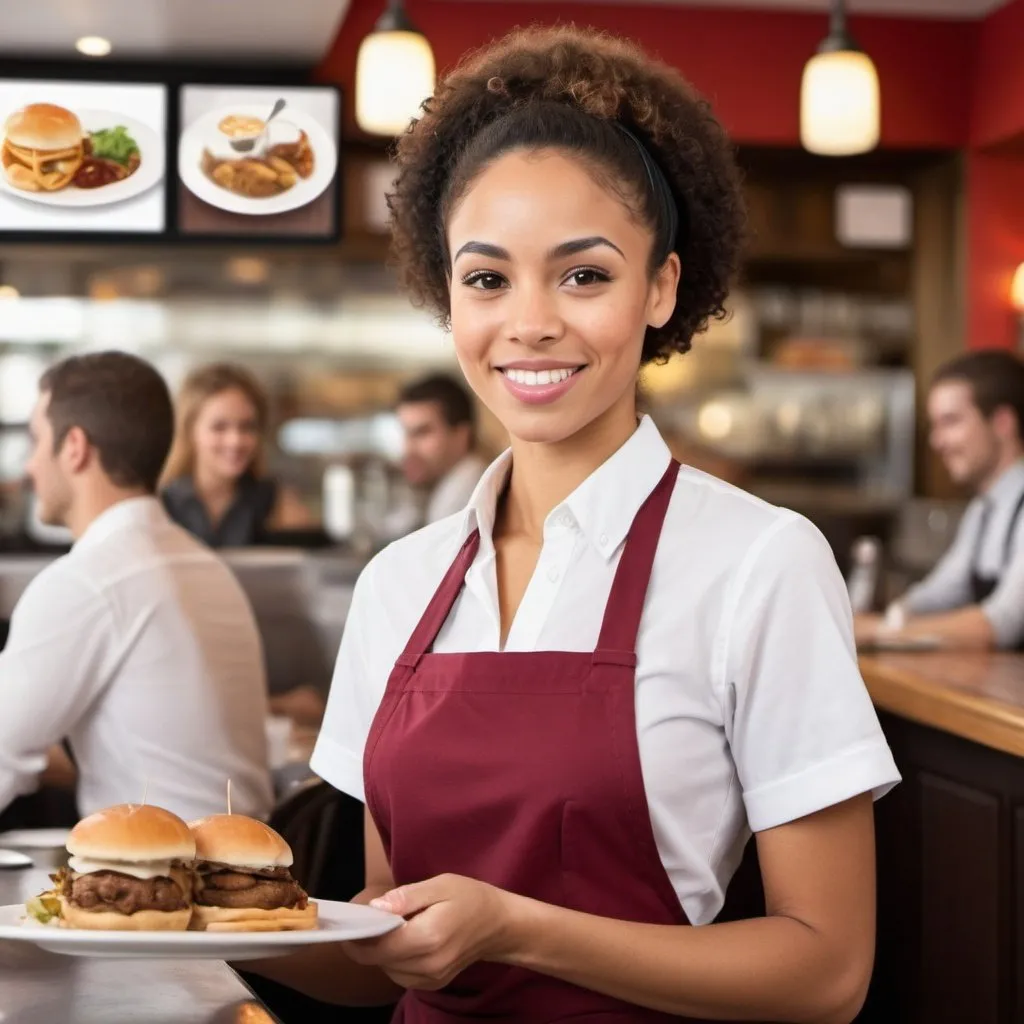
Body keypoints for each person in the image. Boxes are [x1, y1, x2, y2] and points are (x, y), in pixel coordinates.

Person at [251, 27, 899, 1022]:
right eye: (487, 277)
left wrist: (516, 927)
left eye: (583, 274)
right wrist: (220, 919)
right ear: (446, 296)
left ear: (662, 287)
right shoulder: (401, 580)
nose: (530, 321)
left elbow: (826, 971)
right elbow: (389, 947)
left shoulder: (758, 562)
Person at [0, 351, 273, 822]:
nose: (29, 467)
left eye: (36, 441)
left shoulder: (86, 581)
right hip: (245, 875)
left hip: (160, 885)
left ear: (75, 448)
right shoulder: (206, 566)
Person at [856, 350, 1024, 650]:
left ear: (1002, 423)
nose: (937, 441)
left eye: (951, 422)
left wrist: (879, 630)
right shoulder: (983, 511)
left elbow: (1003, 622)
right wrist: (897, 613)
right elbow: (941, 592)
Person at [161, 362, 314, 548]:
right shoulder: (161, 506)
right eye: (219, 427)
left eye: (247, 427)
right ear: (190, 431)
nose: (235, 441)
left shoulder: (280, 507)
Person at [391, 374, 488, 532]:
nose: (408, 448)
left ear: (461, 436)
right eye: (406, 433)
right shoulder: (450, 489)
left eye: (422, 432)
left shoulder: (468, 499)